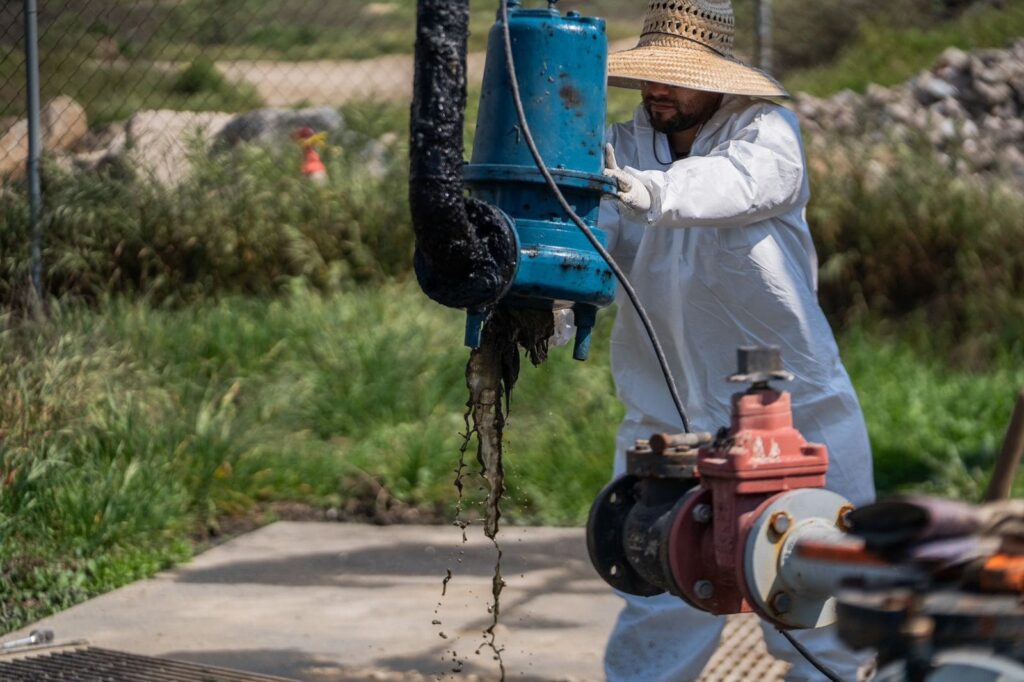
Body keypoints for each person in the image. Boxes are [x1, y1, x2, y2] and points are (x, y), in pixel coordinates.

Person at [597, 1, 876, 680]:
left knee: (820, 594)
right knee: (665, 587)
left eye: (674, 77)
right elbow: (597, 234)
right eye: (650, 76)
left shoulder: (764, 135)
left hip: (798, 416)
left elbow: (736, 186)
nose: (656, 90)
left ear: (717, 78)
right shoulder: (623, 147)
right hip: (667, 415)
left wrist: (650, 192)